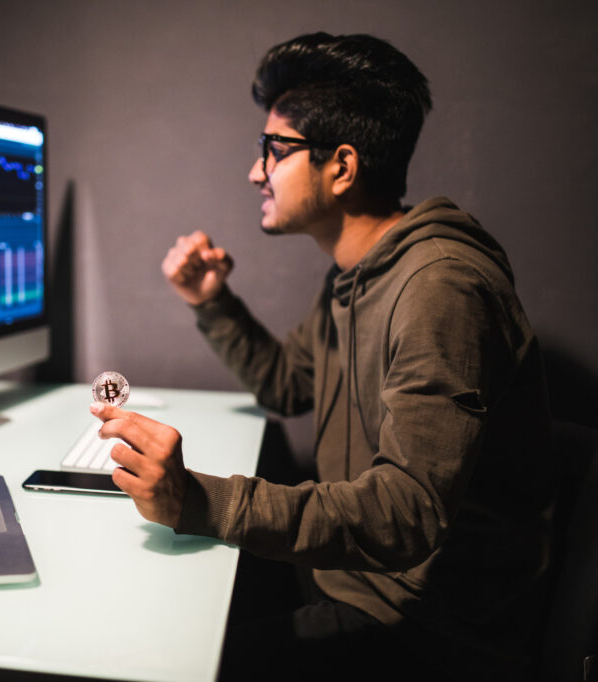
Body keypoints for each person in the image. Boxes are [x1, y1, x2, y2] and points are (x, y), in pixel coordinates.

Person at [89, 32, 556, 681]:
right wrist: (212, 301)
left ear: (340, 166)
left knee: (161, 663)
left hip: (422, 626)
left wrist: (197, 501)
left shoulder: (439, 288)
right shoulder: (352, 273)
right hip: (344, 579)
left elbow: (406, 512)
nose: (256, 172)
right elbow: (289, 386)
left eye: (272, 152)